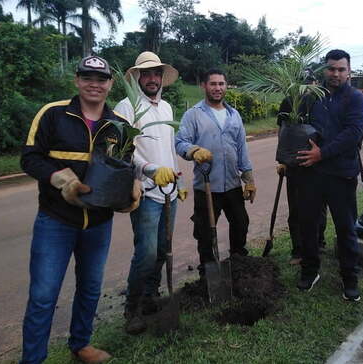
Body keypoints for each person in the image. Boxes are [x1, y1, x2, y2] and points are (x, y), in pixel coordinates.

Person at [20, 56, 141, 364]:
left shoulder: (120, 127)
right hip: (56, 220)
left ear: (110, 84)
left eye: (101, 79)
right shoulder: (53, 114)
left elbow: (125, 168)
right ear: (77, 80)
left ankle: (81, 344)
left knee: (90, 288)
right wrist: (59, 178)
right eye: (88, 77)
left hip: (99, 222)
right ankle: (33, 359)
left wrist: (131, 191)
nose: (94, 84)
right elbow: (30, 158)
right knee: (44, 295)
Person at [114, 51, 187, 335]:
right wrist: (149, 170)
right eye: (147, 74)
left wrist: (177, 182)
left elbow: (169, 148)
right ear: (138, 78)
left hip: (168, 189)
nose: (153, 78)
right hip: (143, 192)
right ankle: (131, 308)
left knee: (162, 249)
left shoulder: (166, 108)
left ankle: (150, 296)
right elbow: (121, 153)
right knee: (145, 252)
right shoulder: (127, 107)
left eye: (157, 73)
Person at [294, 49, 363, 300]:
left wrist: (321, 153)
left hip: (341, 174)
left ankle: (350, 279)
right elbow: (303, 125)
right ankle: (310, 270)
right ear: (324, 70)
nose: (335, 73)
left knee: (345, 228)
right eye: (331, 68)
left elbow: (353, 134)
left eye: (341, 69)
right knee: (309, 224)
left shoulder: (356, 98)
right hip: (312, 174)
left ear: (349, 72)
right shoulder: (314, 97)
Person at [175, 68, 255, 276]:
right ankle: (208, 270)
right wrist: (193, 150)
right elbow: (180, 142)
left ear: (226, 86)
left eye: (221, 84)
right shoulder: (193, 114)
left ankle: (238, 260)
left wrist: (248, 179)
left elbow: (241, 149)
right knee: (204, 230)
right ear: (203, 86)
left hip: (232, 184)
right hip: (206, 185)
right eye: (213, 84)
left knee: (240, 222)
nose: (217, 88)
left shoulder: (233, 114)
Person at [275, 74, 328, 265]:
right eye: (303, 82)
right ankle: (298, 250)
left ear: (316, 83)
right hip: (294, 164)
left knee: (320, 207)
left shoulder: (322, 100)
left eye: (310, 82)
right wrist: (282, 158)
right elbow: (282, 131)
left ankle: (319, 242)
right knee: (296, 208)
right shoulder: (288, 101)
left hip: (319, 164)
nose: (307, 87)